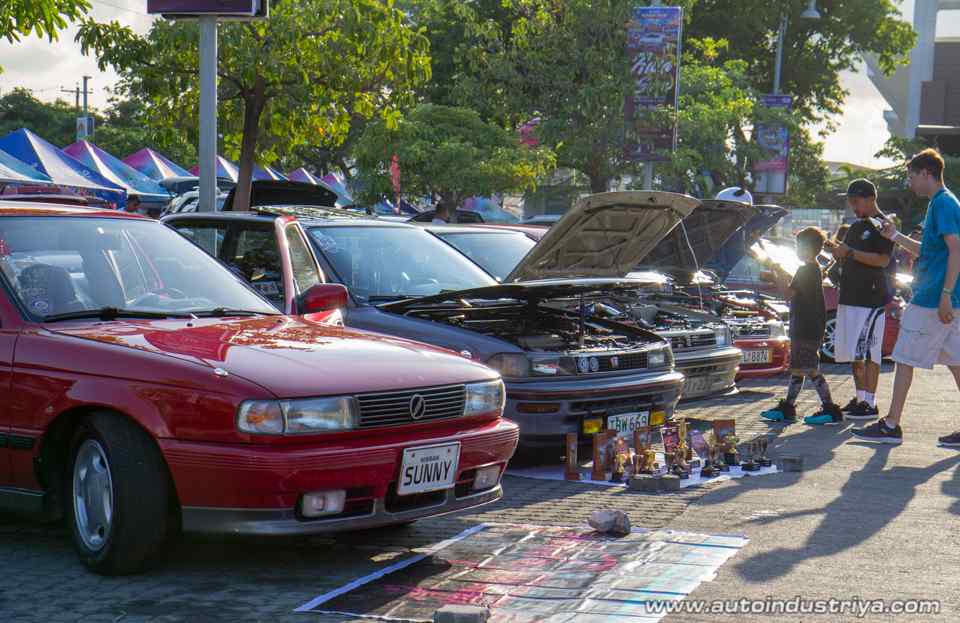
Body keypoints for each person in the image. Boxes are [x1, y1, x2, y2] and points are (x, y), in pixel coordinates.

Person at [853, 149, 960, 445]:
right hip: (944, 298)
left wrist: (946, 295)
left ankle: (890, 424)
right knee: (956, 362)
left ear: (926, 174)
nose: (910, 182)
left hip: (932, 299)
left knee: (903, 358)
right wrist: (894, 236)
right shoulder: (941, 203)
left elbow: (957, 250)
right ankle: (891, 424)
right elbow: (929, 251)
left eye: (912, 176)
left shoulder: (943, 204)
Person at [761, 227, 842, 424]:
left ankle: (829, 408)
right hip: (808, 326)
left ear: (806, 248)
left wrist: (778, 274)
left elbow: (789, 294)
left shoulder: (806, 270)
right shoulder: (812, 269)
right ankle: (788, 407)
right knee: (799, 368)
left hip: (805, 327)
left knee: (810, 369)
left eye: (798, 245)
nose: (796, 249)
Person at [829, 178, 895, 420]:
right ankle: (860, 398)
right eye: (851, 202)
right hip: (849, 296)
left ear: (870, 198)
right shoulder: (857, 226)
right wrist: (838, 252)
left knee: (869, 352)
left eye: (856, 202)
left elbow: (882, 260)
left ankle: (870, 402)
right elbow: (846, 254)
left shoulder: (883, 225)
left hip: (871, 299)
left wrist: (851, 253)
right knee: (853, 351)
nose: (854, 207)